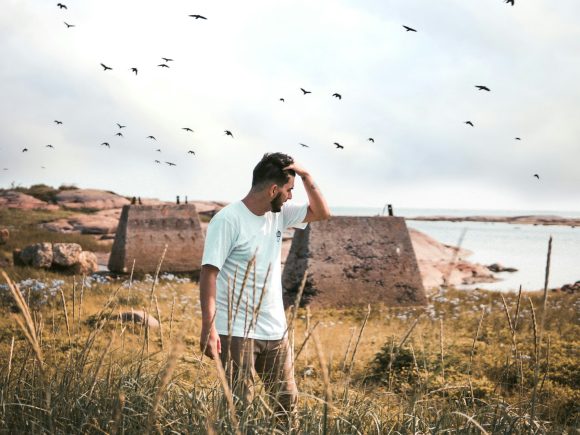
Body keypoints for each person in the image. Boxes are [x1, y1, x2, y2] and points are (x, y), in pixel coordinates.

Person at [199, 152, 330, 422]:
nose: (292, 196)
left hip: (275, 330)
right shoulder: (227, 220)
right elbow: (209, 274)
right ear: (273, 190)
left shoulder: (278, 215)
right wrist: (209, 328)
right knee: (238, 410)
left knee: (286, 406)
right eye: (289, 190)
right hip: (235, 332)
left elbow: (321, 213)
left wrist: (306, 177)